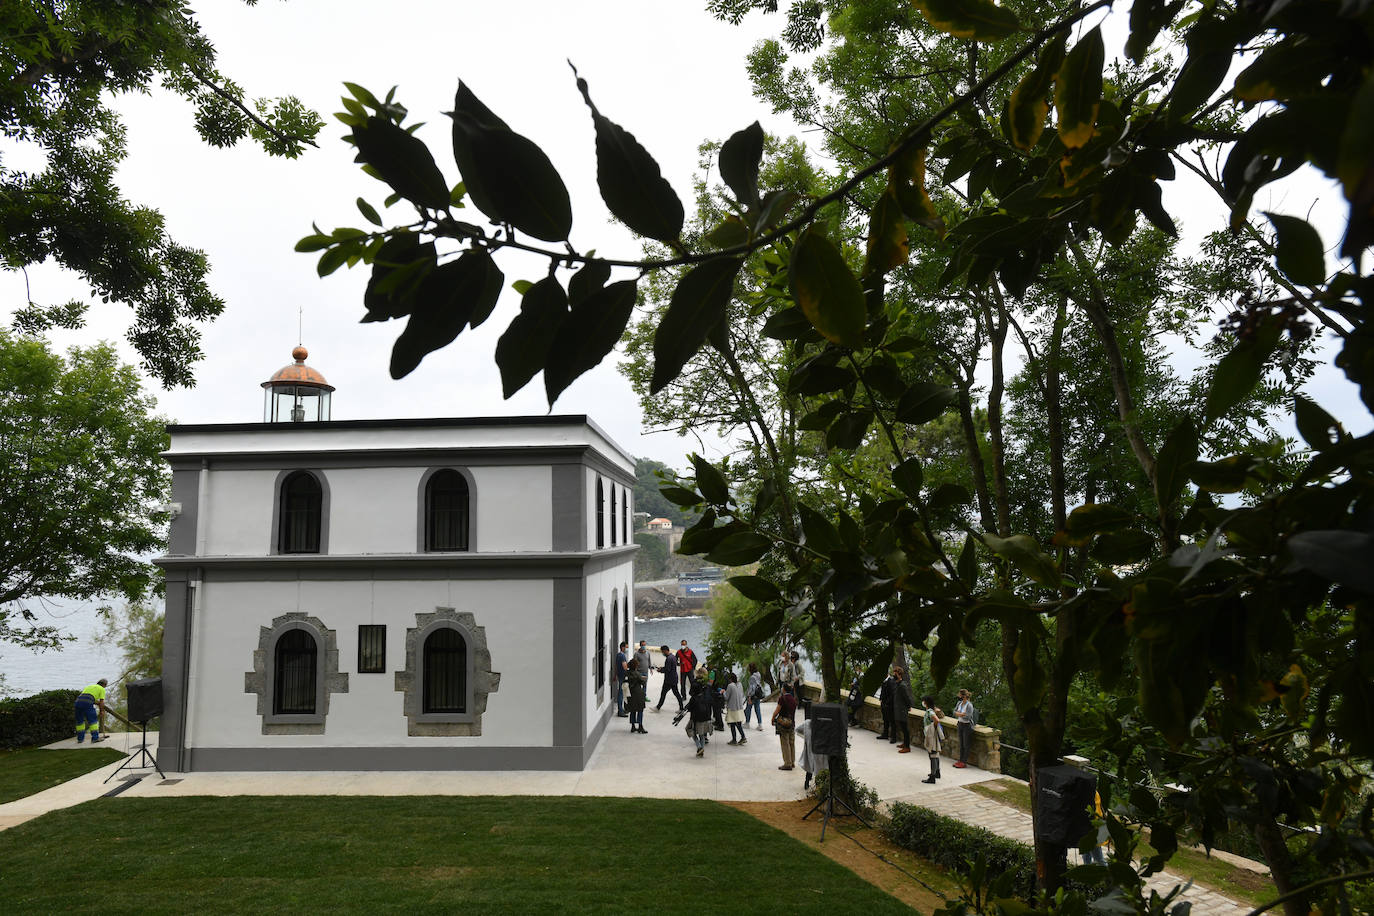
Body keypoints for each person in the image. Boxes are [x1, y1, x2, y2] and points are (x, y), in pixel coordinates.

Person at [797, 713, 828, 791]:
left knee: (810, 768)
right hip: (820, 753)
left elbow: (797, 729)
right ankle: (818, 787)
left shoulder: (807, 723)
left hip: (810, 751)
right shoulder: (823, 726)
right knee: (819, 769)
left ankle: (807, 783)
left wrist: (806, 739)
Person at [771, 683, 798, 770]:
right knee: (791, 743)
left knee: (785, 744)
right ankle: (792, 762)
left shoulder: (782, 698)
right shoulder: (793, 699)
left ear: (784, 689)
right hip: (792, 723)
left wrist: (772, 718)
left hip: (784, 724)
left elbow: (777, 710)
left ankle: (787, 763)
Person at [74, 678, 108, 743]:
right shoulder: (102, 689)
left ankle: (80, 739)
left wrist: (96, 702)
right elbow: (102, 702)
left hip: (78, 702)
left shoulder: (89, 687)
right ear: (104, 685)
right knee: (93, 721)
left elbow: (87, 697)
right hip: (87, 704)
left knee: (80, 722)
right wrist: (101, 711)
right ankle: (95, 738)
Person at [685, 681, 713, 757]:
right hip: (706, 718)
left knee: (690, 731)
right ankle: (701, 750)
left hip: (696, 719)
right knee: (702, 735)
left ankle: (699, 747)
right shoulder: (705, 696)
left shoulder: (693, 699)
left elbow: (689, 708)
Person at [920, 694, 944, 783]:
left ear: (926, 703)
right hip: (932, 735)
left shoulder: (930, 711)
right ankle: (937, 772)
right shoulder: (932, 710)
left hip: (931, 735)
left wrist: (931, 728)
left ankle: (932, 777)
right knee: (935, 754)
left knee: (932, 755)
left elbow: (936, 720)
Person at [953, 688, 977, 768]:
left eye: (959, 695)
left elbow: (968, 717)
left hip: (967, 726)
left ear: (963, 696)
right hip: (960, 724)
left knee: (966, 744)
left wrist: (958, 714)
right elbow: (954, 712)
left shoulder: (969, 705)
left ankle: (964, 762)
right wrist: (961, 714)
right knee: (961, 744)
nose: (958, 697)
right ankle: (960, 760)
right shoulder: (959, 703)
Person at [893, 666, 915, 752]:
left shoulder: (902, 685)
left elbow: (907, 697)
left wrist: (909, 706)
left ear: (899, 674)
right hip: (898, 709)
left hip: (902, 710)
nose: (893, 674)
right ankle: (904, 743)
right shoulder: (897, 684)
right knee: (902, 728)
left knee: (905, 728)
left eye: (895, 673)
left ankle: (907, 747)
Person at [655, 645, 682, 711]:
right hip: (674, 679)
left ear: (665, 651)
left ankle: (658, 707)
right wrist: (662, 668)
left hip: (669, 680)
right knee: (677, 694)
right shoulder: (673, 657)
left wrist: (660, 670)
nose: (662, 653)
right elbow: (669, 668)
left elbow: (668, 669)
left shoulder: (669, 659)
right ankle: (681, 707)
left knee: (663, 693)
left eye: (662, 652)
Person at [724, 671, 747, 745]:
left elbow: (726, 697)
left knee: (732, 723)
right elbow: (742, 694)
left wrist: (723, 692)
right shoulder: (739, 684)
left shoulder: (730, 686)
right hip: (739, 707)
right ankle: (743, 737)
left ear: (730, 679)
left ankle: (735, 739)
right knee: (738, 723)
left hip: (732, 708)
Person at [626, 658, 648, 733]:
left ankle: (633, 726)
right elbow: (643, 682)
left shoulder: (627, 673)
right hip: (638, 693)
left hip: (630, 694)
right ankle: (640, 726)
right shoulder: (637, 674)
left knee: (632, 710)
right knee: (640, 710)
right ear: (635, 666)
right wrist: (644, 679)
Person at [877, 668, 896, 742]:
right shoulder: (884, 681)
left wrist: (887, 703)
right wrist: (881, 699)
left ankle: (893, 737)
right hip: (884, 703)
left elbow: (892, 694)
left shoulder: (891, 681)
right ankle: (885, 734)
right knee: (885, 720)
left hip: (889, 705)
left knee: (892, 721)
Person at [744, 662, 764, 731]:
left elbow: (751, 688)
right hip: (758, 694)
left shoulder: (752, 677)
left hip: (753, 695)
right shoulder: (758, 674)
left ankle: (747, 723)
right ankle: (760, 724)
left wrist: (749, 696)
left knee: (748, 709)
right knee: (757, 709)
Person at [614, 642, 630, 717]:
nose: (626, 649)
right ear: (623, 647)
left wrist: (615, 675)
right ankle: (620, 711)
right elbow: (624, 667)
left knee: (620, 693)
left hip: (619, 676)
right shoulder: (622, 656)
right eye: (626, 647)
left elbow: (616, 666)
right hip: (623, 677)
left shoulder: (618, 655)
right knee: (621, 694)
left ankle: (621, 709)